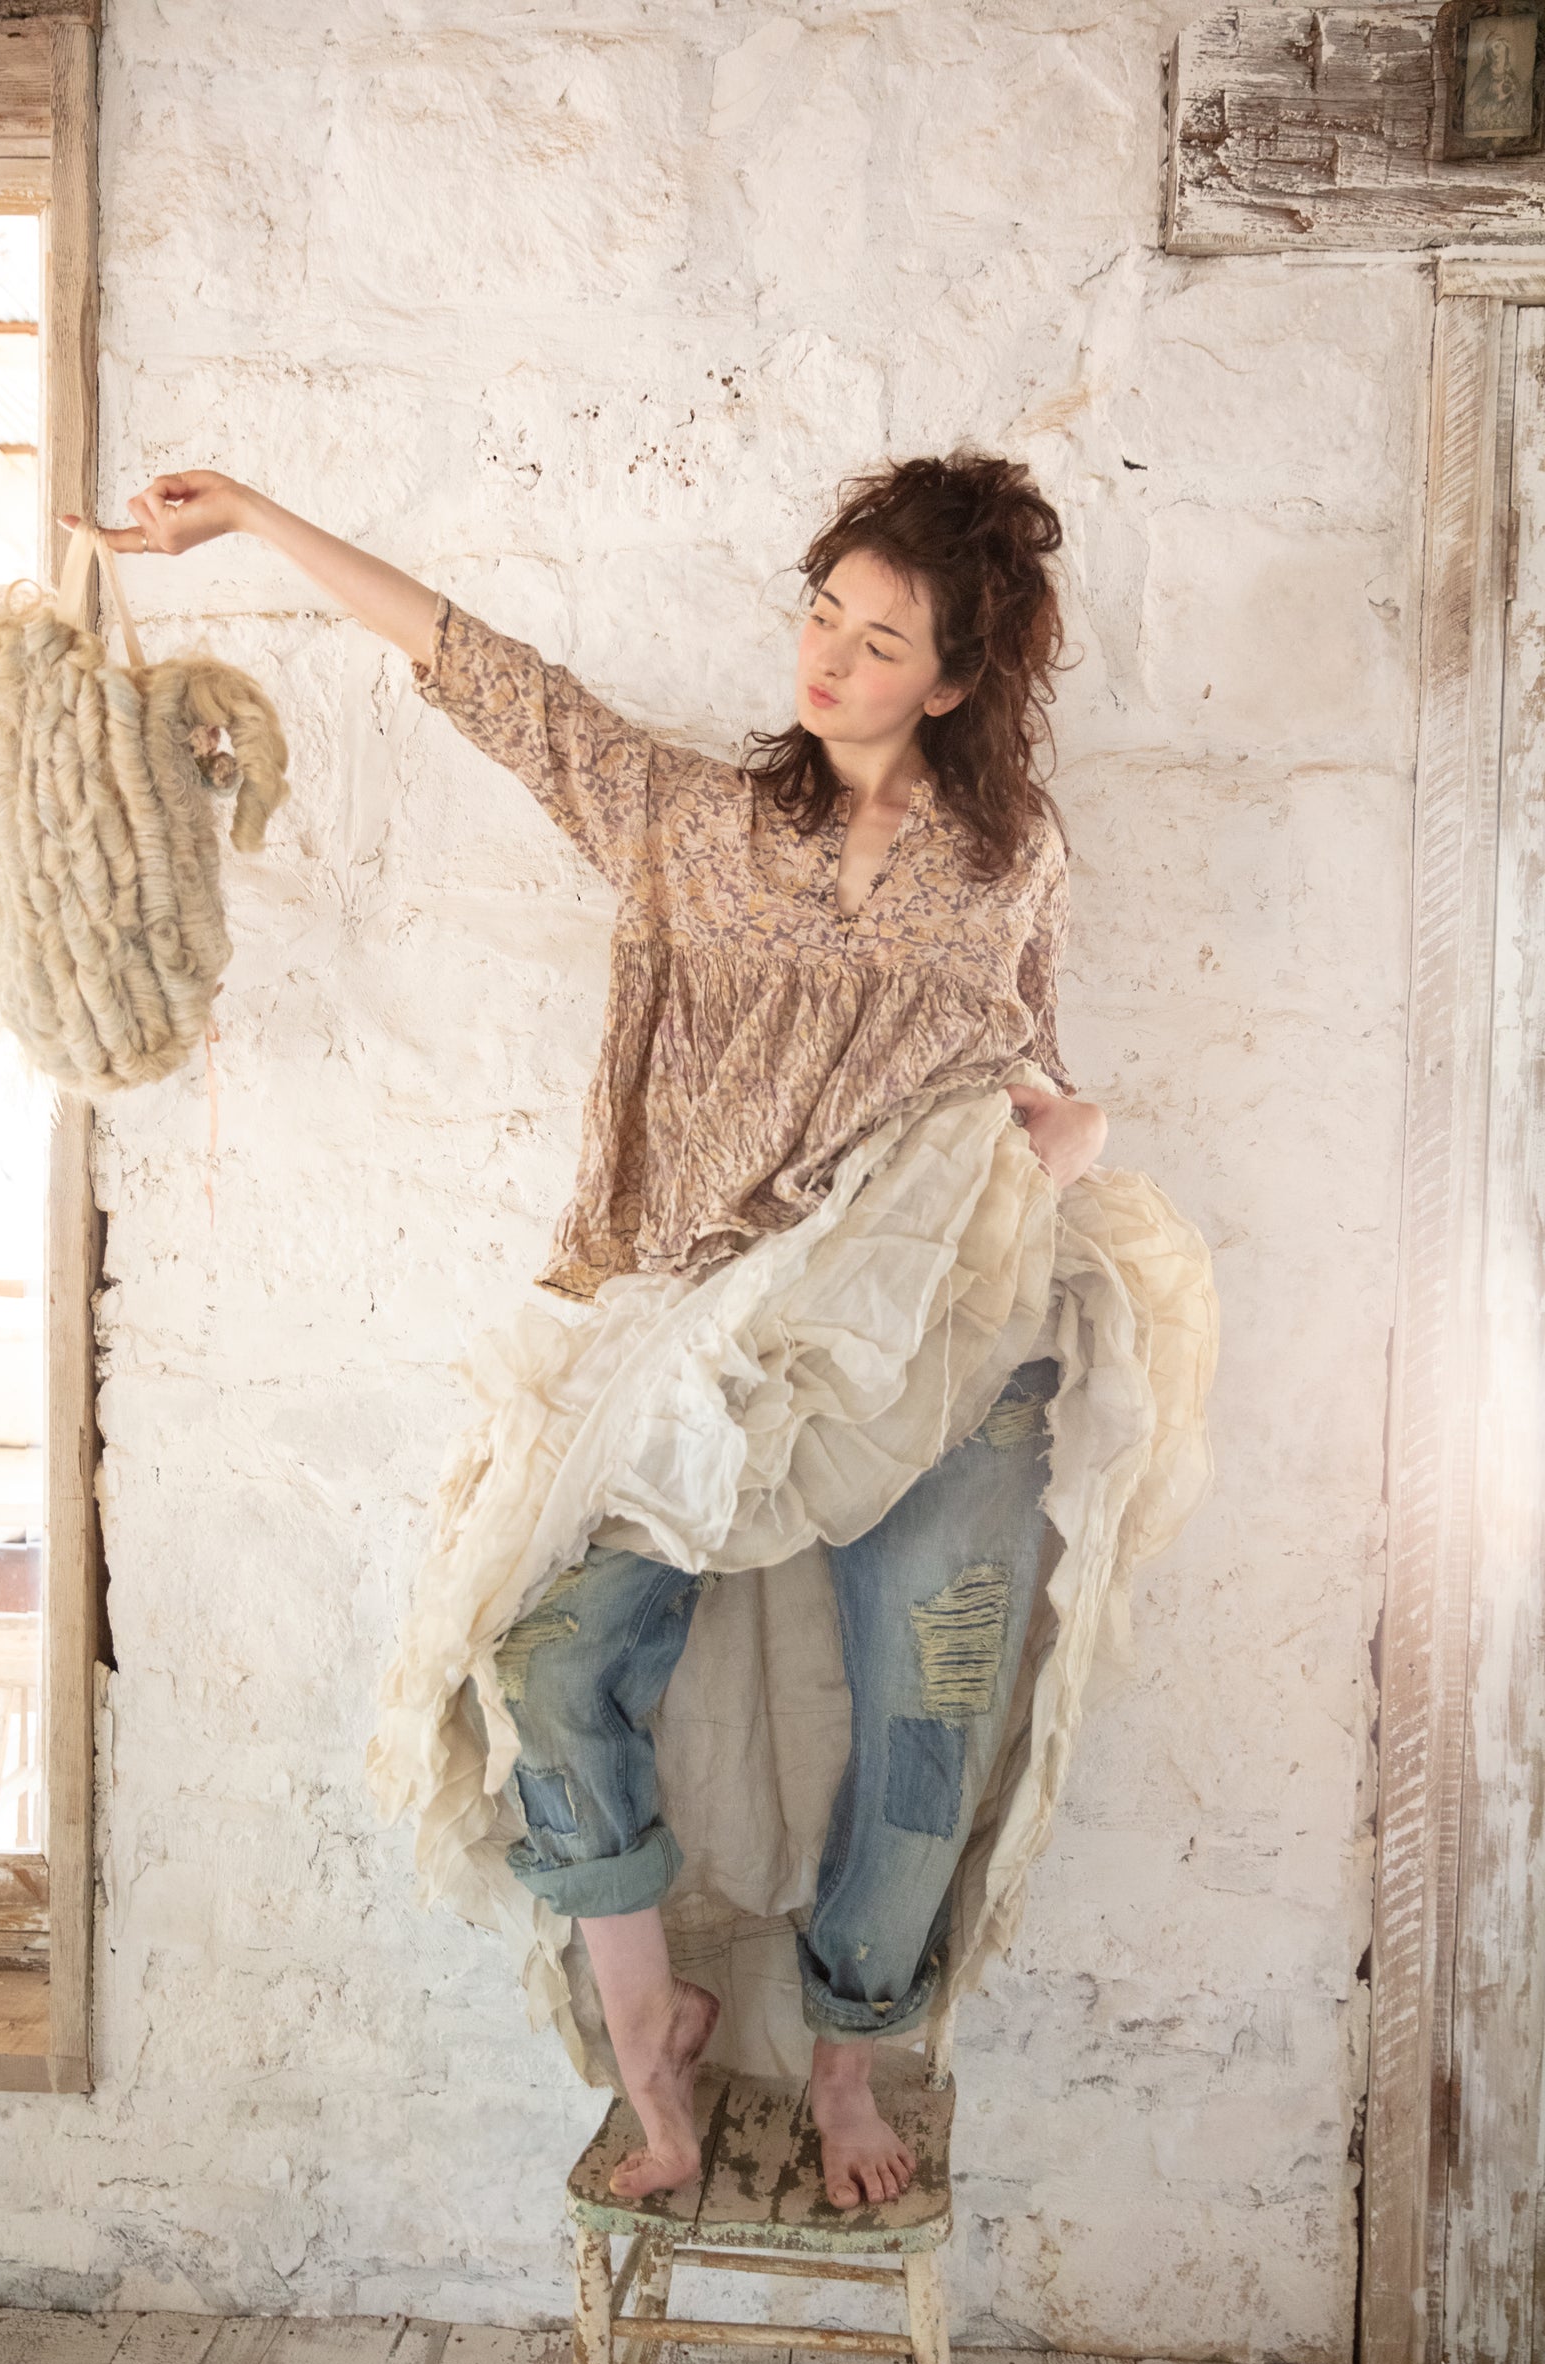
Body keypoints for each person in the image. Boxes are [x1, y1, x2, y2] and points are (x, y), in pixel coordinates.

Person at [65, 453, 1111, 2210]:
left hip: (937, 1325)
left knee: (932, 1707)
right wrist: (247, 515)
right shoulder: (692, 824)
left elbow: (1037, 1069)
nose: (830, 659)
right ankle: (652, 2037)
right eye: (822, 615)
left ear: (952, 682)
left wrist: (1073, 1134)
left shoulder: (1012, 858)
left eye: (881, 642)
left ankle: (852, 2056)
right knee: (547, 1663)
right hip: (701, 1334)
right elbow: (486, 675)